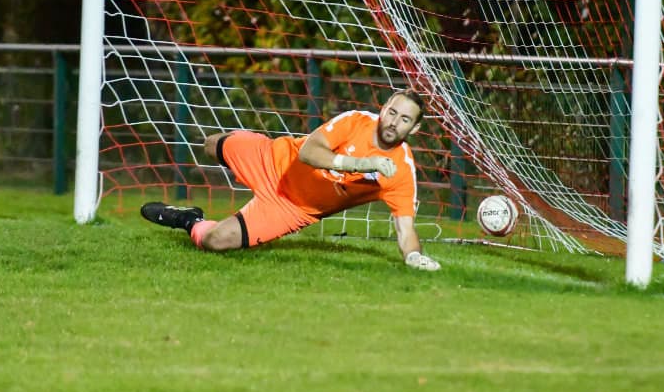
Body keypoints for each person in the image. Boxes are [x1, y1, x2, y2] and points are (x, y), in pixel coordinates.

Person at [140, 88, 441, 271]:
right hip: (275, 159)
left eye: (405, 119)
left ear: (414, 129)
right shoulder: (355, 121)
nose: (393, 122)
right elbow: (309, 152)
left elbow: (405, 229)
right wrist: (361, 164)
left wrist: (414, 256)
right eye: (392, 112)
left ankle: (188, 218)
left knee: (216, 241)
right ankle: (243, 143)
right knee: (211, 144)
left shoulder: (401, 170)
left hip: (292, 209)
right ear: (383, 109)